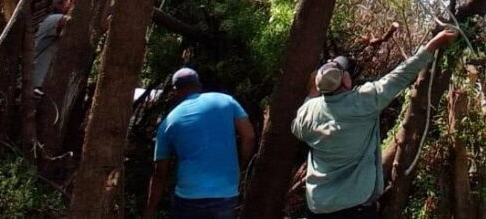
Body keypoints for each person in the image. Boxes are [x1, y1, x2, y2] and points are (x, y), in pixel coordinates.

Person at [292, 29, 460, 218]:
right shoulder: (363, 102)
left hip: (318, 207)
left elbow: (299, 124)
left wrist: (313, 92)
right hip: (355, 208)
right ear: (344, 79)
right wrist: (434, 44)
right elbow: (401, 75)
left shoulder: (307, 112)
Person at [143, 68, 256, 219]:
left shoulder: (168, 122)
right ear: (199, 85)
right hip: (225, 192)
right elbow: (249, 137)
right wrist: (239, 166)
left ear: (175, 90)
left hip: (188, 196)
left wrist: (150, 210)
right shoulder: (227, 101)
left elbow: (160, 172)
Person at [33, 0, 73, 89]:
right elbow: (71, 21)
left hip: (46, 80)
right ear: (59, 5)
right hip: (40, 80)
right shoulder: (53, 18)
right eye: (68, 2)